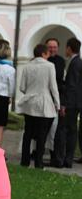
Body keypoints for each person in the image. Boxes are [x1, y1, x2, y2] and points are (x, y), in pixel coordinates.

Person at [16, 44, 59, 169]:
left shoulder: (27, 66)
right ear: (44, 54)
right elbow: (53, 87)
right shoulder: (50, 66)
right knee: (42, 134)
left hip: (29, 104)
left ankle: (25, 161)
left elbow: (22, 87)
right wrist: (57, 103)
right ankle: (38, 162)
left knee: (28, 133)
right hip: (44, 103)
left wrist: (31, 92)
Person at [60, 37, 82, 168]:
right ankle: (68, 157)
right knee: (73, 130)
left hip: (72, 103)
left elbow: (72, 86)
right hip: (77, 101)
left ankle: (68, 159)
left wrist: (65, 103)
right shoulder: (78, 62)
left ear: (69, 48)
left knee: (70, 130)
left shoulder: (74, 64)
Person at [45, 37, 66, 166]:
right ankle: (37, 152)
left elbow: (59, 80)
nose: (52, 49)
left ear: (58, 48)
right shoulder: (42, 60)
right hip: (44, 97)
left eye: (54, 47)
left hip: (54, 98)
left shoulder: (60, 61)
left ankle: (54, 155)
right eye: (50, 47)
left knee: (54, 129)